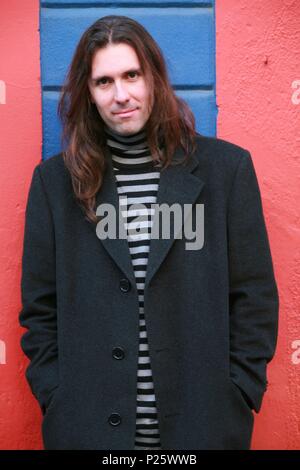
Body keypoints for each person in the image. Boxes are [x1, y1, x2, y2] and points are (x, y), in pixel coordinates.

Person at [19, 15, 279, 450]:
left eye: (131, 75)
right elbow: (39, 308)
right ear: (88, 93)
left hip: (204, 428)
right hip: (88, 432)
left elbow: (254, 295)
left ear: (153, 77)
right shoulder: (53, 184)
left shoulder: (226, 171)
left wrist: (240, 391)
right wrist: (55, 396)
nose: (121, 95)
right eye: (104, 82)